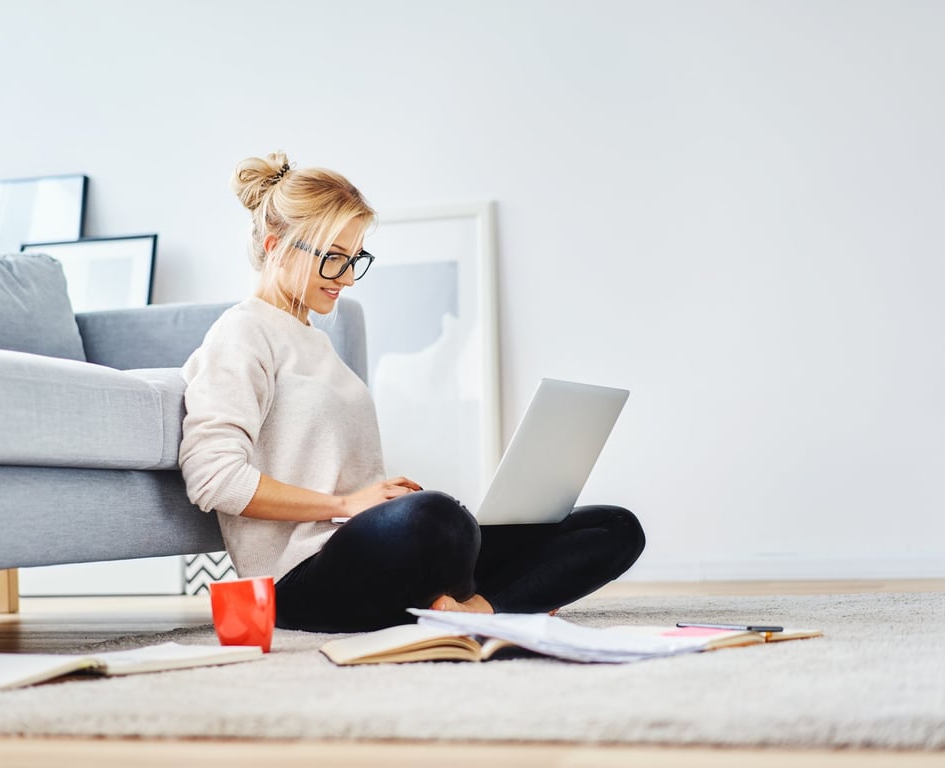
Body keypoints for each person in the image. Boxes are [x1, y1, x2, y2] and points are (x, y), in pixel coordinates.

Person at [179, 151, 645, 633]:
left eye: (354, 258)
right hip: (299, 579)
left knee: (614, 527)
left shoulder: (315, 342)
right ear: (277, 247)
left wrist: (377, 500)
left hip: (370, 551)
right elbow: (213, 477)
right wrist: (345, 505)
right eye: (333, 258)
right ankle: (496, 594)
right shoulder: (241, 334)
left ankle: (476, 611)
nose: (344, 277)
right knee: (439, 519)